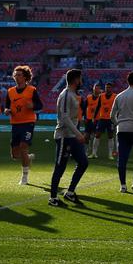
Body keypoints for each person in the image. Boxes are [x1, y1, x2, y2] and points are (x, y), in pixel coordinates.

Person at [49, 68, 90, 206]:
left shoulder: (72, 94)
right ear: (75, 80)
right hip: (64, 136)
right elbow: (65, 118)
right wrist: (79, 134)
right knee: (60, 167)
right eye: (80, 78)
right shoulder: (66, 94)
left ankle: (70, 192)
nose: (81, 81)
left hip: (72, 135)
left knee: (83, 162)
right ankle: (53, 198)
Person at [3, 65, 43, 186]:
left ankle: (24, 177)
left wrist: (33, 106)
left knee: (23, 147)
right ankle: (28, 158)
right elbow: (7, 106)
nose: (16, 76)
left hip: (28, 122)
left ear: (25, 77)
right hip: (15, 123)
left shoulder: (32, 90)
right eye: (15, 74)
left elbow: (40, 106)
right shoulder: (10, 91)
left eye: (19, 74)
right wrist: (6, 111)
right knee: (15, 155)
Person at [82, 83, 103, 159]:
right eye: (96, 88)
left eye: (98, 88)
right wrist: (85, 118)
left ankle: (94, 153)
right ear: (93, 89)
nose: (97, 89)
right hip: (89, 119)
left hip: (97, 120)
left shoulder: (101, 98)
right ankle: (86, 151)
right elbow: (84, 108)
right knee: (86, 136)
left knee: (96, 136)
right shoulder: (89, 97)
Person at [97, 81, 117, 159]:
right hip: (102, 119)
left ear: (111, 88)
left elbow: (117, 108)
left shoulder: (115, 96)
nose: (107, 89)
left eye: (109, 87)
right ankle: (94, 153)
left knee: (110, 136)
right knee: (97, 134)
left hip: (111, 119)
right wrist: (94, 117)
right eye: (106, 87)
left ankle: (110, 154)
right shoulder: (101, 96)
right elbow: (98, 107)